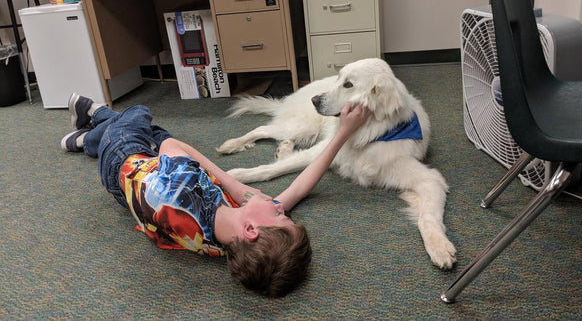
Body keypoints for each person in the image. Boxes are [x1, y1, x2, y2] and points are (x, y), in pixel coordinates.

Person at [60, 93, 370, 297]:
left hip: (122, 162)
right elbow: (299, 188)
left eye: (280, 216)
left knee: (142, 115)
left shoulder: (182, 197)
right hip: (153, 178)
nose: (282, 209)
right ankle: (88, 138)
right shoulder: (233, 238)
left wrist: (232, 184)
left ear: (250, 230)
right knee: (155, 132)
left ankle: (97, 123)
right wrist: (342, 133)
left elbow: (173, 148)